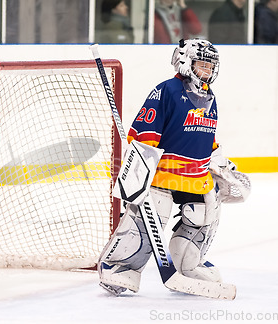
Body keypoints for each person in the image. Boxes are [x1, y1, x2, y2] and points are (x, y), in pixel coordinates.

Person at [98, 38, 250, 295]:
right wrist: (137, 175)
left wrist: (220, 164)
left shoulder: (209, 98)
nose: (208, 71)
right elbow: (144, 134)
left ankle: (188, 265)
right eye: (202, 64)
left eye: (211, 66)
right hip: (163, 175)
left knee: (205, 212)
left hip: (196, 176)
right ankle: (119, 267)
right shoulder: (166, 91)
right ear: (184, 62)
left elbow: (206, 139)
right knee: (152, 216)